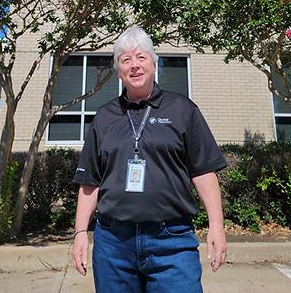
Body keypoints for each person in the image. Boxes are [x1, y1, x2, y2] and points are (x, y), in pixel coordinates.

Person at [69, 26, 228, 293]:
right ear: (118, 71)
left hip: (172, 243)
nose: (134, 65)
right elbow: (90, 181)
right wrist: (80, 233)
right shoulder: (105, 117)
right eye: (125, 60)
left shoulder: (183, 110)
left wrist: (217, 225)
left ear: (154, 64)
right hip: (113, 245)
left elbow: (203, 172)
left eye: (141, 57)